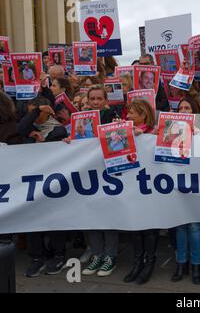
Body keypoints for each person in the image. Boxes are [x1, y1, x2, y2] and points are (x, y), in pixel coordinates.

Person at [17, 97, 68, 277]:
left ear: (48, 112)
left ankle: (58, 255)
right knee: (32, 220)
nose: (33, 117)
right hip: (32, 182)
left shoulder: (58, 130)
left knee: (54, 220)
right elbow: (21, 128)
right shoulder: (29, 129)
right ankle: (37, 257)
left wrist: (40, 143)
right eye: (31, 113)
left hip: (53, 183)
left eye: (37, 113)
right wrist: (35, 114)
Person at [81, 86, 119, 278]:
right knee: (92, 214)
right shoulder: (81, 119)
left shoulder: (113, 116)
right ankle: (97, 253)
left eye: (99, 99)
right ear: (87, 100)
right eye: (92, 99)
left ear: (106, 100)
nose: (95, 102)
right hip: (89, 173)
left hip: (107, 172)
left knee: (108, 213)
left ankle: (110, 255)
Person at [122, 99, 161, 285]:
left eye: (132, 112)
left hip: (152, 186)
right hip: (132, 186)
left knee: (150, 228)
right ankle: (138, 262)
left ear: (143, 115)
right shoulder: (122, 131)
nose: (128, 115)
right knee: (136, 227)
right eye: (128, 112)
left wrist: (143, 137)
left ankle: (150, 262)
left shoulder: (155, 132)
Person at [169, 98, 200, 285]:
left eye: (187, 107)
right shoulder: (169, 130)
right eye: (180, 108)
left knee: (194, 225)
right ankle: (181, 263)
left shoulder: (199, 132)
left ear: (194, 111)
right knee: (180, 225)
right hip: (174, 182)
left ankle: (196, 264)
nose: (183, 110)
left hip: (194, 183)